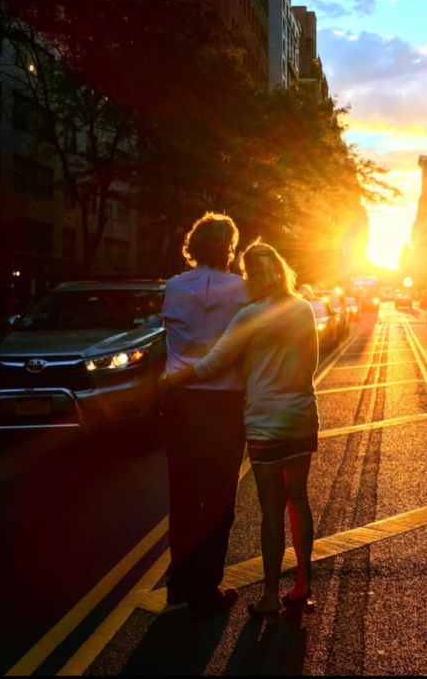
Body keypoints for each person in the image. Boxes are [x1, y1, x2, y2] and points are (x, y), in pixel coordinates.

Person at [159, 241, 319, 624]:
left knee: (271, 510)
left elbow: (214, 363)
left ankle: (269, 596)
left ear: (251, 276)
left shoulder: (250, 315)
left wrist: (171, 379)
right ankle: (302, 585)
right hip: (301, 414)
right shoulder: (303, 309)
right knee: (298, 499)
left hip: (265, 419)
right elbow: (311, 363)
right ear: (281, 269)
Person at [161, 213, 248, 616]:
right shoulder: (243, 291)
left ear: (193, 246)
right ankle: (205, 588)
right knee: (218, 498)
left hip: (180, 400)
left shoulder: (174, 286)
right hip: (224, 402)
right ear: (229, 248)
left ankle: (178, 585)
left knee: (183, 496)